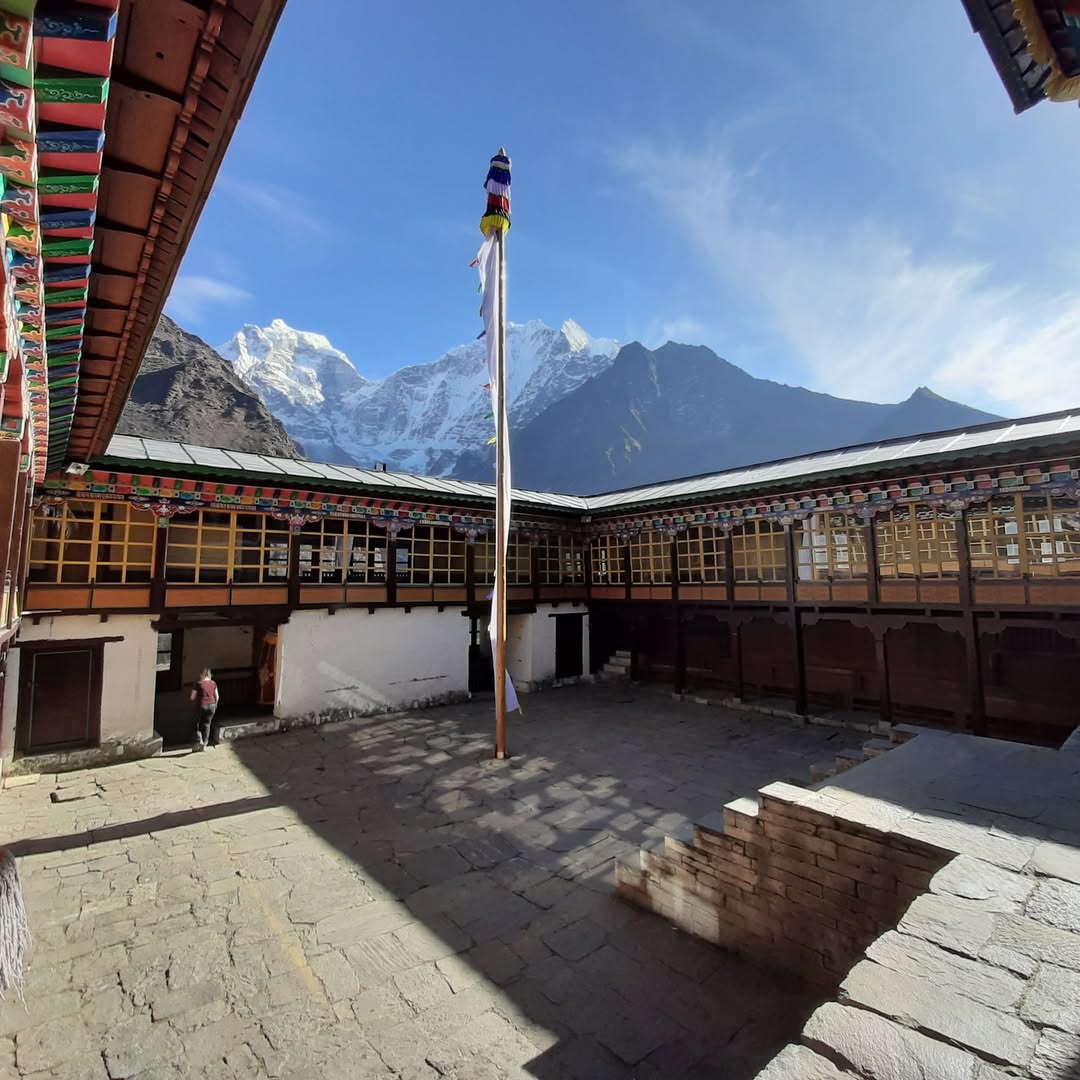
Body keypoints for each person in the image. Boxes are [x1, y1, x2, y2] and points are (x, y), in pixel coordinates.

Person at [190, 667, 219, 750]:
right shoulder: (213, 683)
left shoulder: (198, 684)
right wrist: (215, 705)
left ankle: (199, 740)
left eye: (200, 675)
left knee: (195, 723)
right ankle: (205, 744)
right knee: (207, 724)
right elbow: (217, 696)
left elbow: (192, 697)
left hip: (201, 705)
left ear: (202, 675)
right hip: (212, 706)